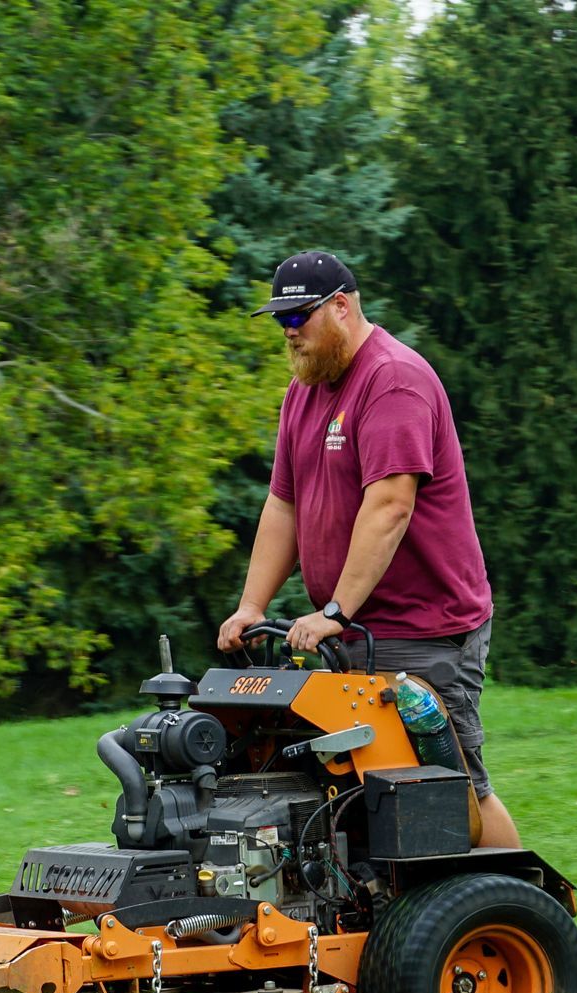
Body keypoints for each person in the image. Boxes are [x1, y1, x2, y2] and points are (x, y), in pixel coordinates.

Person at [215, 250, 520, 847]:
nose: (289, 332)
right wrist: (252, 607)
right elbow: (284, 505)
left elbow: (390, 507)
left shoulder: (392, 380)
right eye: (280, 320)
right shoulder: (303, 394)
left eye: (299, 317)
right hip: (355, 630)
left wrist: (334, 611)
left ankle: (526, 915)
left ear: (342, 307)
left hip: (423, 628)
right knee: (365, 797)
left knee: (451, 795)